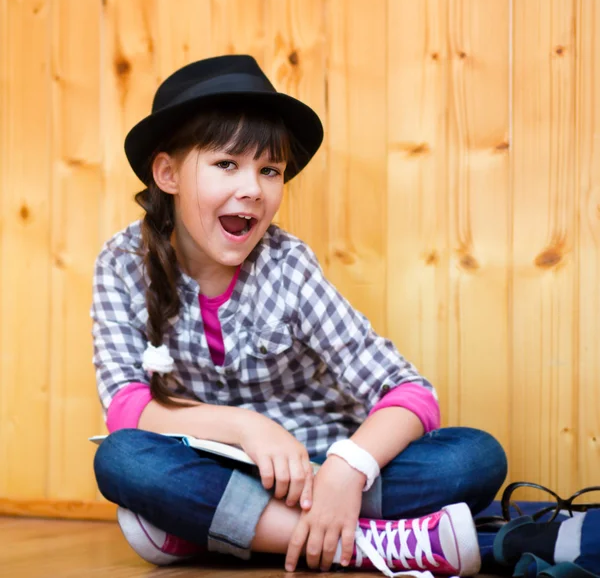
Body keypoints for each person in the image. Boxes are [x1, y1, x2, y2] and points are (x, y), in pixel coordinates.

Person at [91, 54, 507, 577]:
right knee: (123, 459)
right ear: (168, 172)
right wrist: (246, 429)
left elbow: (410, 394)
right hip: (218, 466)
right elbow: (126, 406)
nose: (253, 189)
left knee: (472, 458)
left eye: (270, 171)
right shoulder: (123, 263)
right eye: (227, 164)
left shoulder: (288, 266)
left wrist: (346, 472)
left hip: (320, 464)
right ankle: (369, 544)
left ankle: (221, 530)